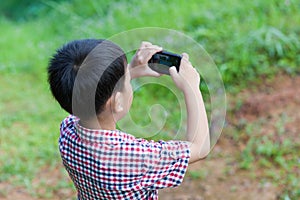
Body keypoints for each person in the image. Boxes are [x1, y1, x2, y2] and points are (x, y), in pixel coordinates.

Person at [47, 39, 210, 200]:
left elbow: (88, 96)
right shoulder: (136, 157)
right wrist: (192, 89)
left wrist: (130, 71)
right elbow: (200, 147)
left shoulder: (67, 132)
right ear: (117, 102)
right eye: (127, 82)